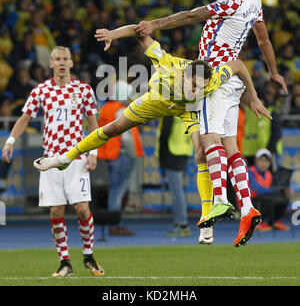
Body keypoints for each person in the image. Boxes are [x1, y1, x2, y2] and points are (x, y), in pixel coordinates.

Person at [33, 29, 271, 247]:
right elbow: (140, 32)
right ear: (185, 76)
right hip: (154, 101)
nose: (199, 91)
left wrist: (253, 96)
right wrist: (113, 35)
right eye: (196, 85)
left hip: (184, 110)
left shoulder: (209, 80)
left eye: (204, 88)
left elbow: (238, 65)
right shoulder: (167, 64)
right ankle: (66, 158)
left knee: (202, 153)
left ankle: (206, 220)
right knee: (112, 129)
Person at [133, 0, 288, 247]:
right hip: (234, 79)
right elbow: (264, 39)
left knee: (209, 141)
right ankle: (247, 208)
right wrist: (272, 71)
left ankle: (219, 199)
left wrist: (154, 24)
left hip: (214, 77)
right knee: (231, 148)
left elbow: (192, 15)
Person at [2, 46, 104, 277]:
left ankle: (89, 256)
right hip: (50, 159)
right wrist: (10, 141)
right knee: (56, 210)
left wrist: (93, 153)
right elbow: (25, 117)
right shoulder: (41, 90)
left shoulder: (84, 90)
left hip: (76, 157)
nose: (60, 62)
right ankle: (64, 262)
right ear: (50, 64)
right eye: (56, 59)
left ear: (71, 63)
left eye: (64, 59)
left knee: (81, 208)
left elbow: (93, 124)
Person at [98, 80, 144, 236]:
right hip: (122, 155)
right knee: (118, 192)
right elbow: (126, 138)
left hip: (110, 154)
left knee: (114, 191)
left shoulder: (106, 109)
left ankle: (114, 224)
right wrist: (132, 155)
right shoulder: (121, 111)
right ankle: (115, 224)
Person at [157, 116, 193, 238]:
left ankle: (182, 224)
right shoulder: (187, 107)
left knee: (176, 191)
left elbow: (164, 134)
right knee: (178, 190)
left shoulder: (169, 109)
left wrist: (161, 158)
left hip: (172, 152)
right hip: (184, 150)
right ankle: (181, 223)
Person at [249, 149, 290, 232]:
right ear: (256, 161)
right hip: (251, 201)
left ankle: (273, 222)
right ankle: (257, 223)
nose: (263, 164)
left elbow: (274, 189)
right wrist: (276, 190)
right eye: (261, 161)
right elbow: (257, 189)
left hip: (263, 198)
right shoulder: (250, 171)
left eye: (266, 161)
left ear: (269, 163)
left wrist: (284, 191)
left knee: (283, 199)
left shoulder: (269, 174)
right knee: (270, 199)